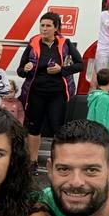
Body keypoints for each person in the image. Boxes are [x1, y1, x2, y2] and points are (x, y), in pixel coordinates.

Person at [17, 12, 81, 163]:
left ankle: (57, 161)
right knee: (34, 127)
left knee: (57, 128)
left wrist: (61, 70)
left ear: (56, 28)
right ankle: (32, 161)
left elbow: (80, 65)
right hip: (36, 93)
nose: (44, 29)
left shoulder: (65, 43)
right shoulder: (33, 43)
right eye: (42, 25)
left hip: (57, 93)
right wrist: (25, 69)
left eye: (48, 26)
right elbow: (21, 71)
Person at [86, 67, 109, 134]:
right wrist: (103, 133)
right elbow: (100, 117)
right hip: (100, 134)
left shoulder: (94, 95)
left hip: (93, 131)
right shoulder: (104, 98)